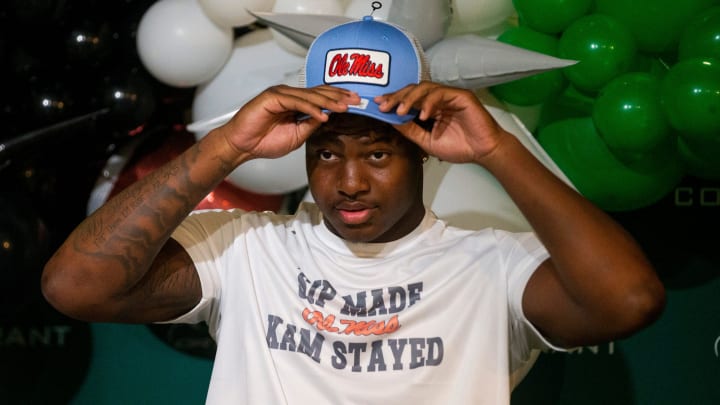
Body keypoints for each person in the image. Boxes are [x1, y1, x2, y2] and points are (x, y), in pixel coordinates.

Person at [41, 16, 665, 405]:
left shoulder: (490, 261)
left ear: (423, 150)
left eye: (377, 152)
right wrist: (225, 146)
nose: (348, 181)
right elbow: (74, 287)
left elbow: (630, 299)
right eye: (327, 151)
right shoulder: (246, 247)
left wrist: (496, 149)